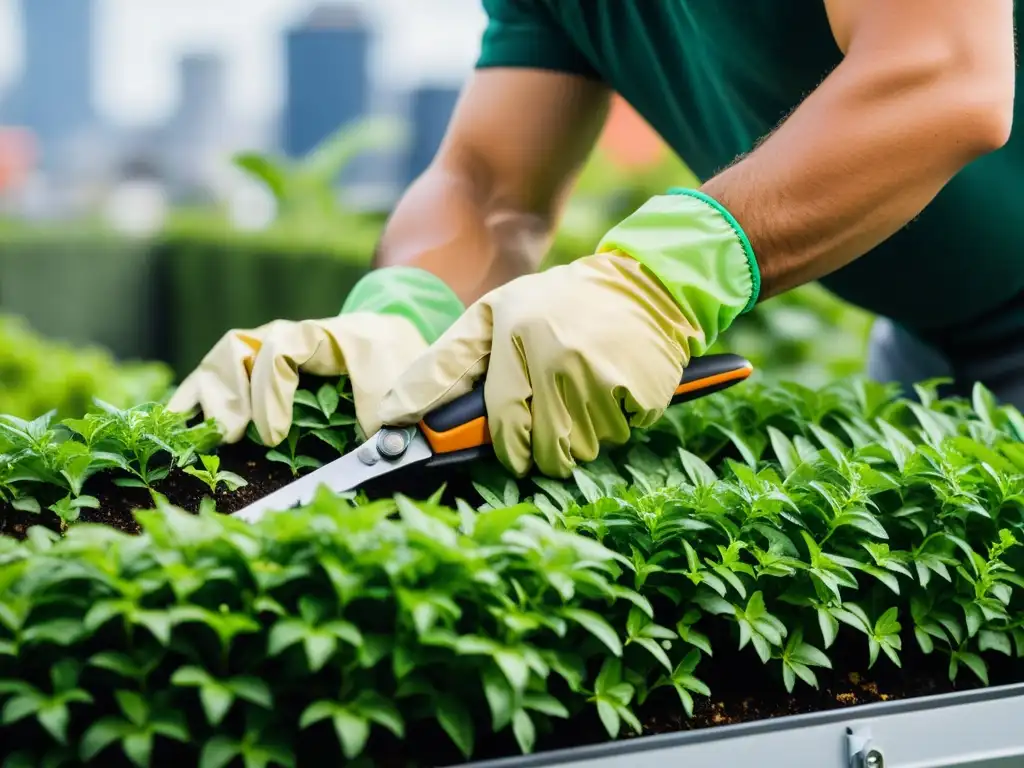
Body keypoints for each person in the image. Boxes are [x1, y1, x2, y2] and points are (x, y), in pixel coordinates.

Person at [170, 0, 1018, 479]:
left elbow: (944, 78)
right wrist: (401, 312)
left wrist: (658, 279)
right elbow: (490, 183)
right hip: (928, 344)